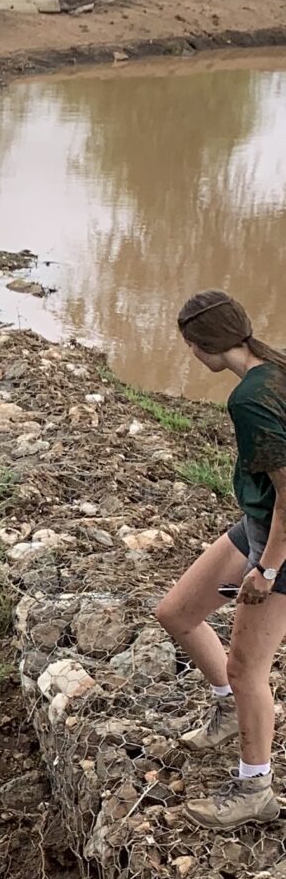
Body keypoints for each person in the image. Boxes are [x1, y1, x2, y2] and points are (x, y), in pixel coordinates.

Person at [154, 290, 286, 829]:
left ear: (202, 344)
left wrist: (268, 568)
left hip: (279, 536)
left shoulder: (251, 399)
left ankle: (255, 787)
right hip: (259, 521)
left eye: (189, 346)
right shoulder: (274, 368)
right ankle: (229, 709)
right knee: (177, 613)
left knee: (247, 668)